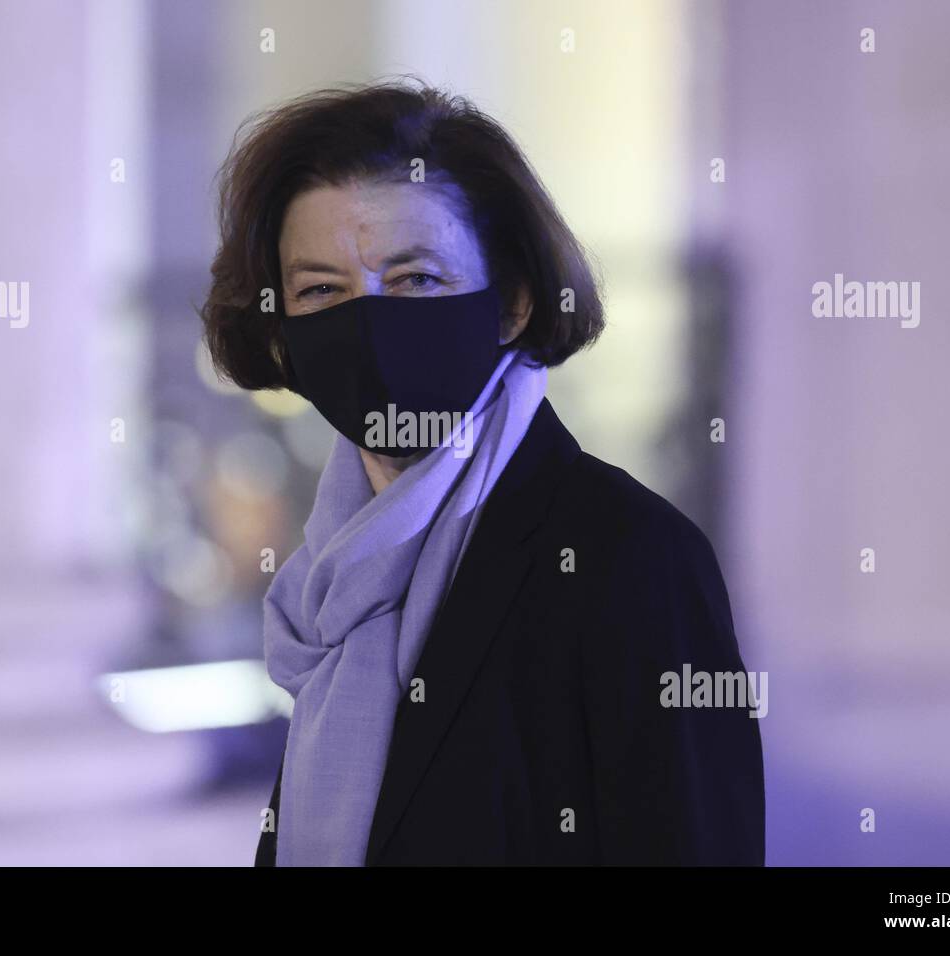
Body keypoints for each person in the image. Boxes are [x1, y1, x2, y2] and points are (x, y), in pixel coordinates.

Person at [199, 78, 765, 866]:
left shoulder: (628, 557)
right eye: (322, 290)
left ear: (513, 305)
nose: (370, 322)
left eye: (416, 280)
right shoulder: (328, 583)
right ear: (284, 332)